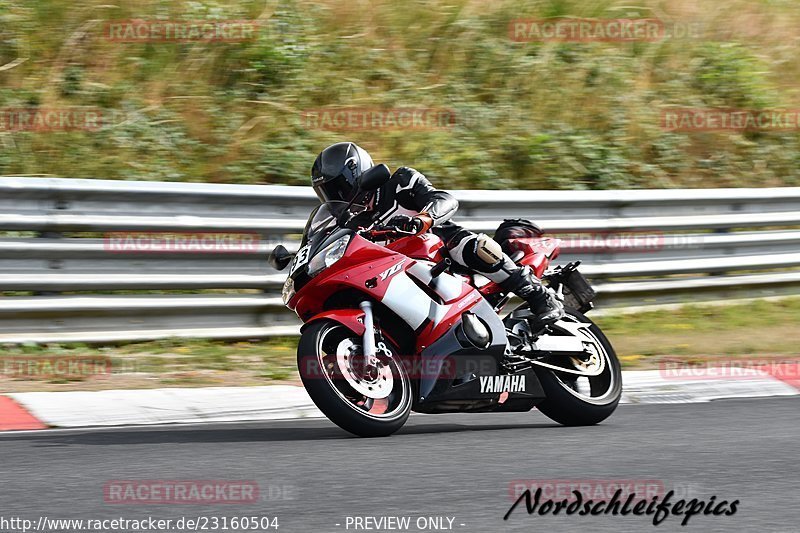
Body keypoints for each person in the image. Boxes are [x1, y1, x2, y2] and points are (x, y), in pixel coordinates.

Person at [310, 142, 564, 325]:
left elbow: (443, 199)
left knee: (474, 247)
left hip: (440, 247)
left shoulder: (399, 182)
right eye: (329, 192)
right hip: (396, 271)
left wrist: (424, 218)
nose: (337, 197)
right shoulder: (352, 222)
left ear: (356, 174)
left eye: (339, 187)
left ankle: (539, 295)